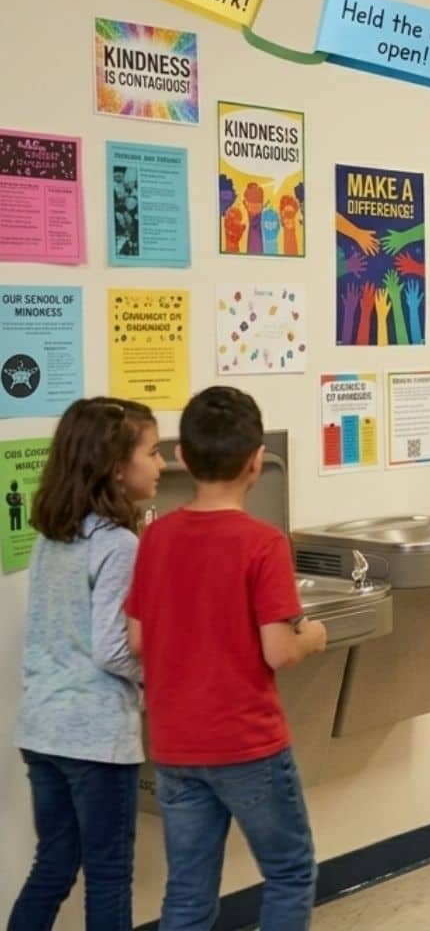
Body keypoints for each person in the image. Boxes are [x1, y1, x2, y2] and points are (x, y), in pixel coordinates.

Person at [126, 387, 329, 928]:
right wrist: (313, 636)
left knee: (188, 895)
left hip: (175, 745)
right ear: (257, 460)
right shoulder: (263, 543)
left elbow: (137, 639)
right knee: (290, 872)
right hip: (247, 745)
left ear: (182, 456)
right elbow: (279, 650)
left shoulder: (155, 538)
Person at [7, 398, 163, 930]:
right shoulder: (118, 544)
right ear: (117, 467)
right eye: (152, 452)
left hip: (42, 730)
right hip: (95, 739)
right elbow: (113, 649)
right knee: (109, 874)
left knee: (52, 866)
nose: (161, 463)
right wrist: (159, 678)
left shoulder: (52, 536)